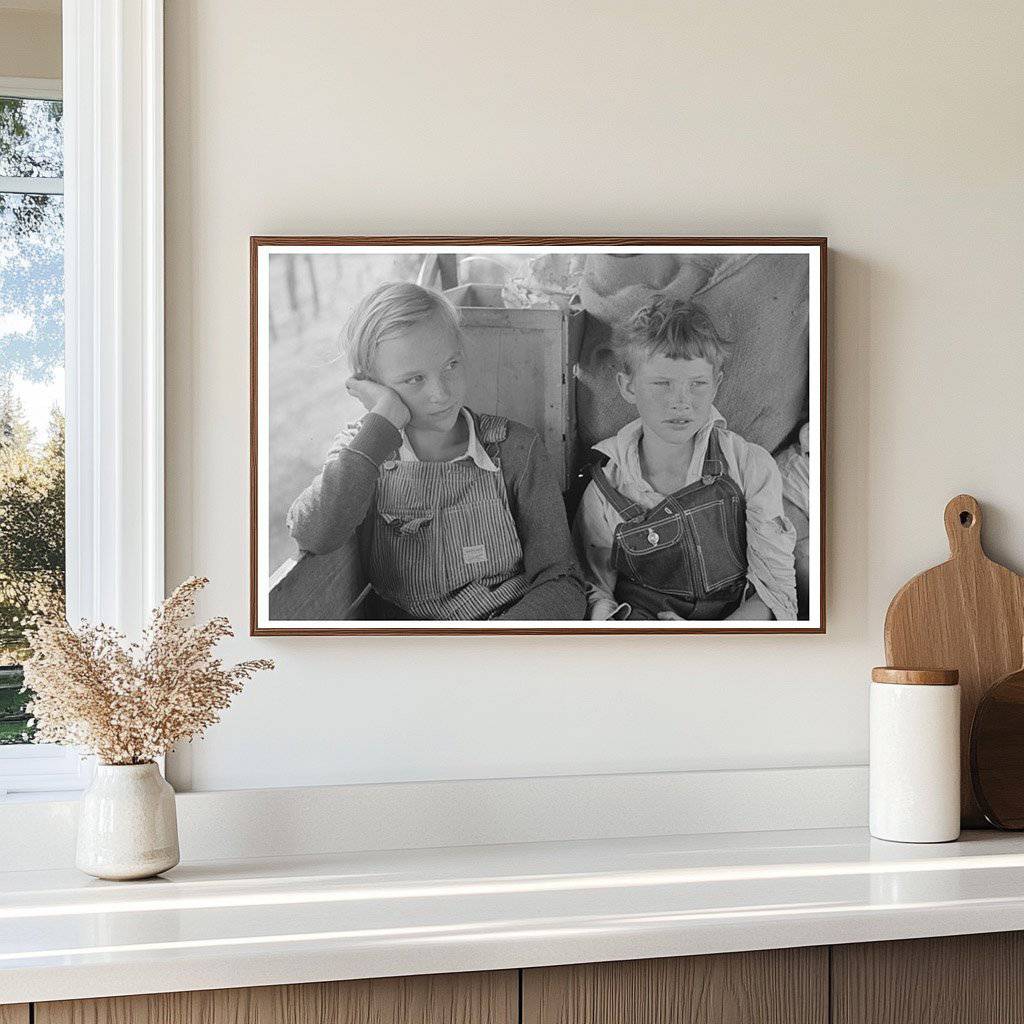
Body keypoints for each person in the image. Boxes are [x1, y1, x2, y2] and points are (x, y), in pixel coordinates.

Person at [287, 281, 586, 621]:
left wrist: (495, 648)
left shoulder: (516, 448)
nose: (441, 394)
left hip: (509, 639)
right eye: (414, 379)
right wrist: (381, 420)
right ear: (371, 385)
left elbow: (562, 580)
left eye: (451, 365)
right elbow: (316, 533)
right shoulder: (365, 452)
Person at [573, 296, 797, 622]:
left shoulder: (749, 465)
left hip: (732, 639)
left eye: (697, 384)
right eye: (662, 384)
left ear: (716, 384)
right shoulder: (605, 491)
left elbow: (774, 591)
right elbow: (596, 591)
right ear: (628, 387)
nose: (681, 403)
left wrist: (708, 641)